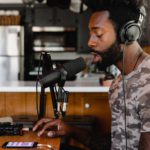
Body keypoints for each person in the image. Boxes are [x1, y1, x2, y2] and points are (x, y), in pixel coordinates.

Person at [33, 0, 150, 149]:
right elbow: (117, 143)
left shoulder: (148, 83)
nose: (90, 42)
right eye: (90, 33)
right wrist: (70, 130)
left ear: (127, 34)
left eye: (98, 34)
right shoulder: (118, 83)